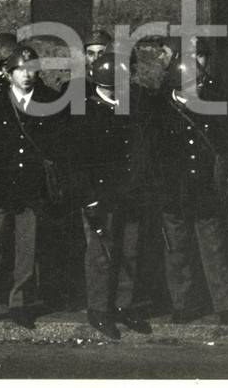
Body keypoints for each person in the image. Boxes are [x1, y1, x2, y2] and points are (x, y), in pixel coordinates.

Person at [153, 41, 228, 336]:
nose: (199, 87)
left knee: (215, 248)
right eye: (193, 82)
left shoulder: (211, 106)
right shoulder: (159, 110)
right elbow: (151, 154)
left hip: (206, 190)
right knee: (178, 251)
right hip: (173, 192)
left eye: (200, 81)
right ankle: (183, 304)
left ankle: (225, 305)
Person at [0, 44, 65, 341]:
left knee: (27, 246)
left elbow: (55, 142)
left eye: (31, 69)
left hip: (31, 186)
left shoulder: (49, 100)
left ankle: (19, 303)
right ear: (8, 73)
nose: (26, 75)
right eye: (20, 70)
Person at [72, 50, 154, 339]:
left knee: (130, 251)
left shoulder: (134, 106)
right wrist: (89, 196)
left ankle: (123, 306)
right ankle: (98, 310)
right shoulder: (85, 110)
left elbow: (141, 149)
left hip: (130, 192)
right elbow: (77, 160)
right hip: (101, 195)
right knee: (100, 255)